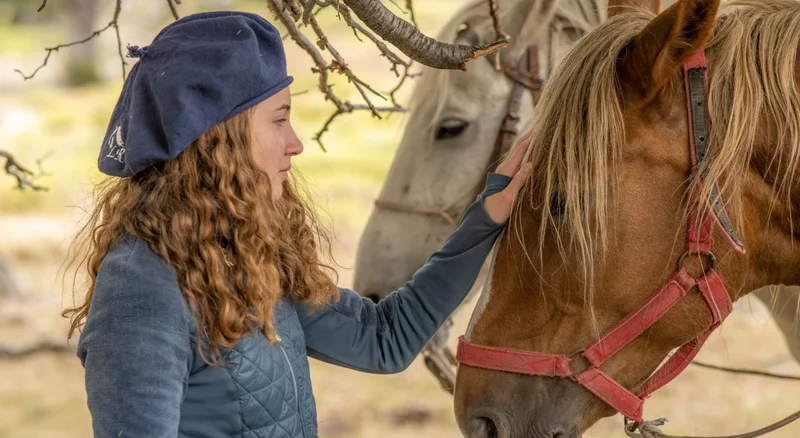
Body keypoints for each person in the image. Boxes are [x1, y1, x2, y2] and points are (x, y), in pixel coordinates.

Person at [62, 10, 532, 438]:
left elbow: (383, 339)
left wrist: (486, 217)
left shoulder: (246, 250)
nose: (295, 144)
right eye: (279, 120)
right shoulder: (140, 287)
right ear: (219, 140)